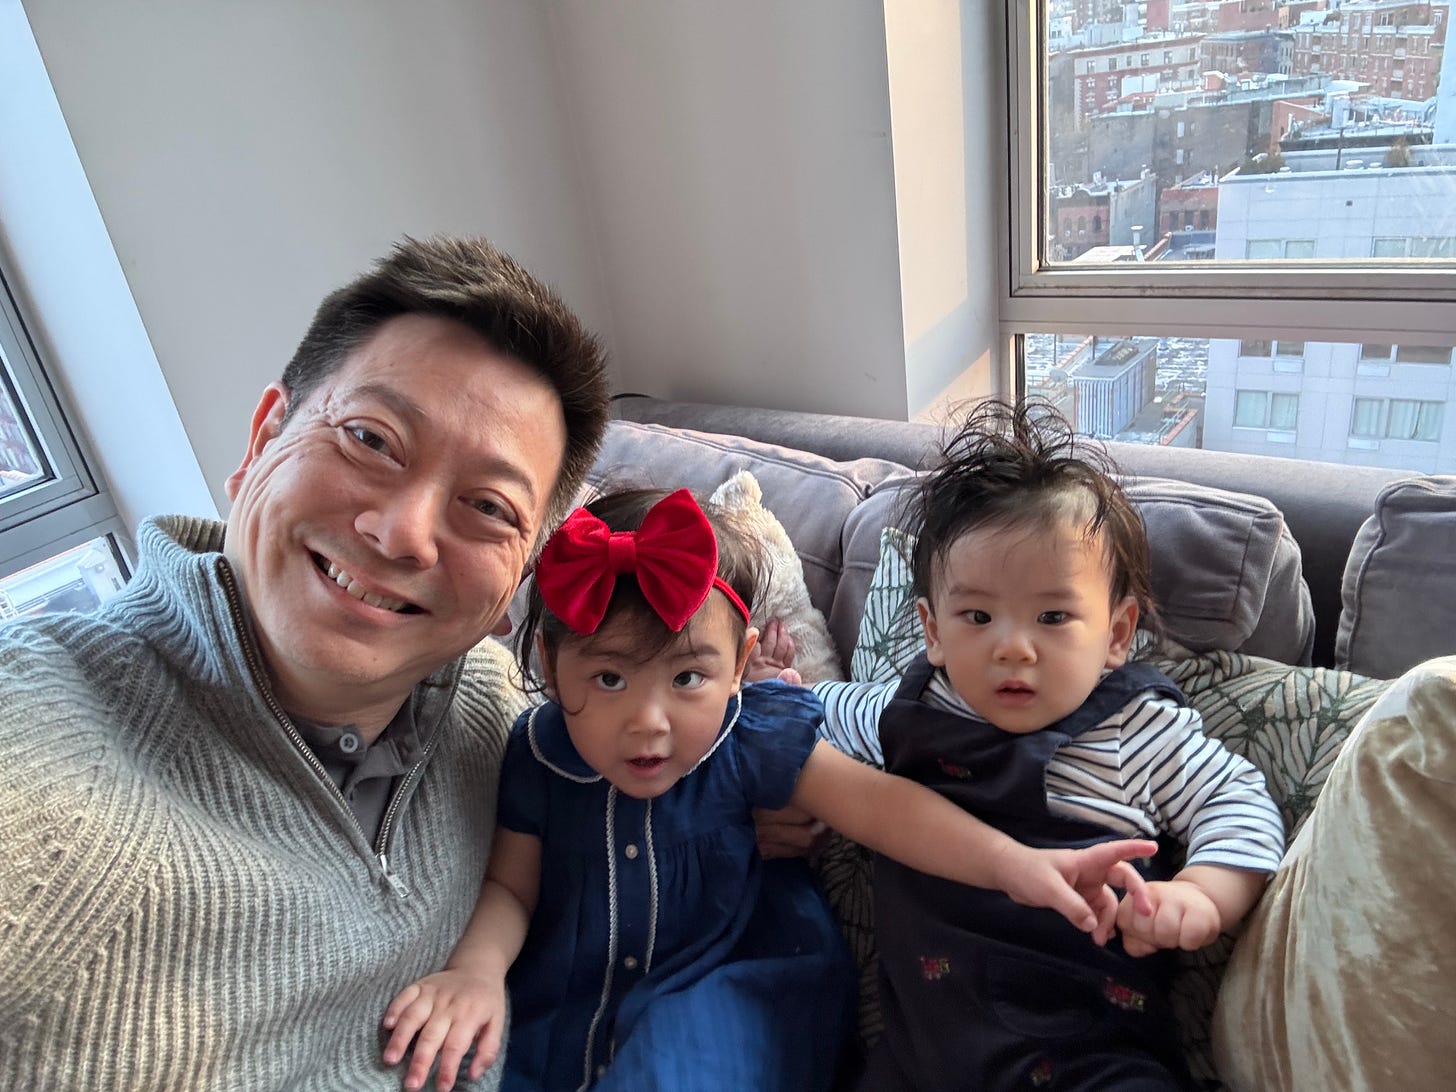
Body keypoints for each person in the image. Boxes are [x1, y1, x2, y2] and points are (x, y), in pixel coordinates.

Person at [0, 236, 611, 1090]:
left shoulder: (491, 703)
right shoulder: (41, 765)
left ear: (516, 585)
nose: (402, 533)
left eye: (487, 507)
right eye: (371, 439)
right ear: (262, 441)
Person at [379, 486, 1166, 1092]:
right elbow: (511, 887)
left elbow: (884, 808)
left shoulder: (751, 733)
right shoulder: (537, 751)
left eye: (688, 678)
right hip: (572, 992)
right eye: (610, 678)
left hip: (732, 982)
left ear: (738, 665)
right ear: (551, 668)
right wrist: (476, 972)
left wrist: (1015, 865)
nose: (650, 722)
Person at [806, 401, 1287, 1091]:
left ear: (1117, 635)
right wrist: (767, 687)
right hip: (922, 1056)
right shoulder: (901, 712)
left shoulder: (1134, 731)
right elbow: (807, 715)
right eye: (977, 616)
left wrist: (1203, 894)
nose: (1013, 647)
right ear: (933, 632)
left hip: (1090, 1050)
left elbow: (1237, 798)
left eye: (1053, 616)